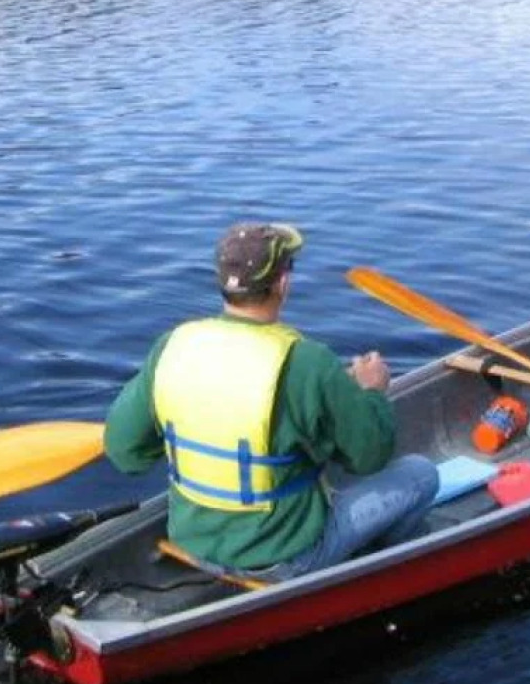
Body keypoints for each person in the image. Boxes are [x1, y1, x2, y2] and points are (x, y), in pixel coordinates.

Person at [104, 221, 439, 583]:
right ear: (283, 283)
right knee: (421, 474)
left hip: (193, 542)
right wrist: (372, 392)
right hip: (286, 558)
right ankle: (374, 566)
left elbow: (126, 453)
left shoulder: (172, 346)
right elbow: (371, 456)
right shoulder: (309, 362)